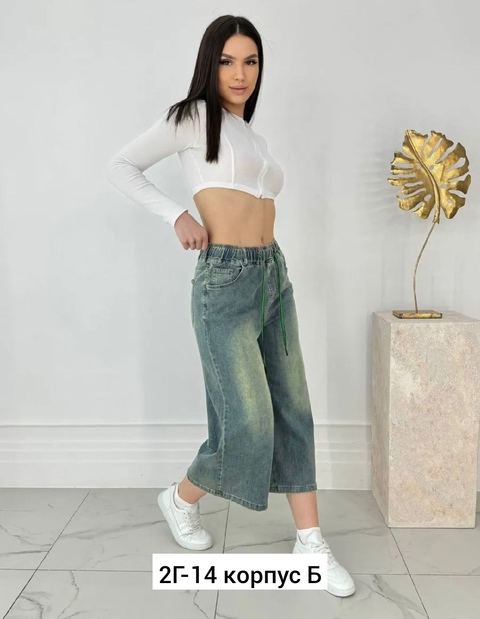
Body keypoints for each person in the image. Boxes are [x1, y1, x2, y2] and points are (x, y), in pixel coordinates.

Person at [105, 15, 355, 598]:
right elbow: (120, 166)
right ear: (209, 64)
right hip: (224, 282)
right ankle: (181, 497)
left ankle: (310, 542)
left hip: (273, 277)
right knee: (249, 422)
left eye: (250, 61)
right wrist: (177, 215)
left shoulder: (252, 137)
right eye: (227, 61)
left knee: (294, 411)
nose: (240, 73)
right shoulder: (193, 117)